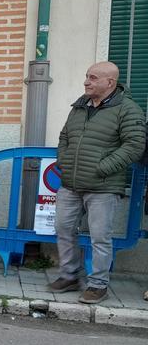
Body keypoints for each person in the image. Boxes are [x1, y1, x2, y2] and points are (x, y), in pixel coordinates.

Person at [47, 61, 145, 304]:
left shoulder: (128, 109)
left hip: (103, 186)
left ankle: (98, 285)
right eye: (86, 77)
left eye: (92, 78)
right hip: (70, 183)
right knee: (63, 228)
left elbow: (134, 146)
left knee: (100, 237)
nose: (86, 82)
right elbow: (64, 136)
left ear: (109, 82)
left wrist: (102, 168)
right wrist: (64, 161)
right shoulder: (79, 106)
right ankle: (69, 275)